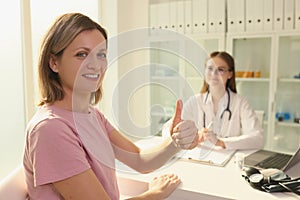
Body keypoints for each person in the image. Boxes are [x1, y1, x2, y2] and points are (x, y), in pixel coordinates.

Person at [23, 13, 199, 200]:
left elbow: (139, 159)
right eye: (81, 54)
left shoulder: (92, 115)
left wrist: (175, 142)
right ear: (53, 63)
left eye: (101, 55)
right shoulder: (51, 129)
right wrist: (156, 194)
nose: (95, 65)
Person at [165, 51, 264, 150]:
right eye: (210, 68)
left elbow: (258, 139)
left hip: (228, 159)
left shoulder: (240, 102)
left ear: (230, 74)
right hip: (198, 158)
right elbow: (167, 131)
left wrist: (220, 142)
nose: (214, 74)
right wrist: (185, 136)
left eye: (220, 70)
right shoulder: (195, 101)